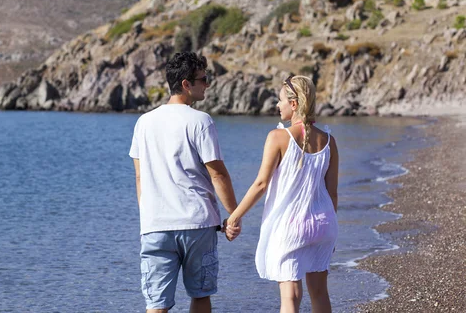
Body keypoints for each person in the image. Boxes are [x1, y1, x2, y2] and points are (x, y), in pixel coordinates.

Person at [129, 52, 240, 313]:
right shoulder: (201, 121)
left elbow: (139, 176)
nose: (208, 84)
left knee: (156, 304)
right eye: (204, 78)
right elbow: (218, 174)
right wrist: (234, 215)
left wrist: (148, 216)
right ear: (186, 84)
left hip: (155, 226)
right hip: (197, 224)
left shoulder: (143, 123)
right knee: (200, 295)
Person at [224, 75, 339, 313]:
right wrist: (331, 230)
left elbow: (261, 184)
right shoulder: (329, 141)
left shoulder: (278, 137)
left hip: (291, 226)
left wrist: (234, 216)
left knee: (291, 298)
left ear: (294, 104)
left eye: (280, 101)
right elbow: (333, 194)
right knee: (319, 293)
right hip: (323, 224)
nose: (277, 106)